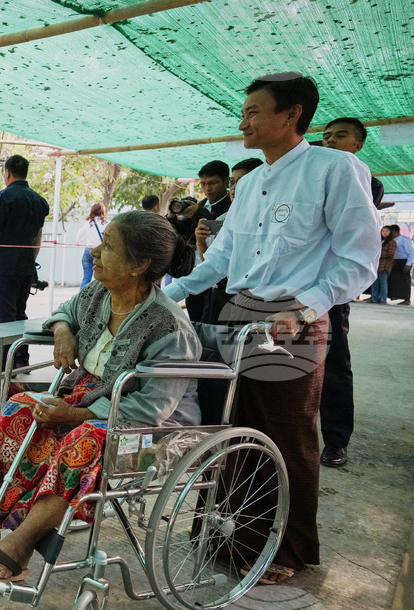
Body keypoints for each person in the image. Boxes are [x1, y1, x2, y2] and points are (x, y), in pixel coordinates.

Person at [164, 72, 380, 584]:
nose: (244, 120)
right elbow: (219, 260)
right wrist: (161, 297)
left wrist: (305, 309)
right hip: (237, 313)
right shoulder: (253, 182)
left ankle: (283, 549)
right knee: (228, 428)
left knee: (284, 433)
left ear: (291, 115)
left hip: (294, 321)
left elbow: (361, 259)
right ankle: (224, 534)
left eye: (255, 111)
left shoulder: (336, 168)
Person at [0, 211, 200, 583]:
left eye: (109, 245)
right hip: (91, 401)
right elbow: (65, 311)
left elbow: (150, 409)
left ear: (139, 265)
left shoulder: (169, 329)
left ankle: (20, 547)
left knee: (85, 439)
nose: (95, 251)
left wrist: (72, 415)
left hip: (151, 429)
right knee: (21, 410)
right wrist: (64, 331)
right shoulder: (100, 292)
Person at [318, 117, 384, 467]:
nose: (329, 141)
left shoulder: (366, 180)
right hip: (294, 287)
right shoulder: (308, 175)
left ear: (357, 144)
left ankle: (336, 441)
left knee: (333, 365)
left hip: (331, 290)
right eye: (326, 136)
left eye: (340, 136)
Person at [0, 155, 50, 369]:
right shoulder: (39, 201)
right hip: (26, 265)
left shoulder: (5, 196)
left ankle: (3, 364)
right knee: (20, 313)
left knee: (4, 317)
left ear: (7, 173)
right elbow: (37, 237)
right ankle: (20, 360)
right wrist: (31, 261)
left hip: (5, 266)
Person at [193, 157, 263, 324]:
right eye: (233, 182)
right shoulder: (224, 219)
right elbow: (212, 262)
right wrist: (201, 241)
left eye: (242, 181)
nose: (234, 188)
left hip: (260, 299)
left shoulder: (273, 219)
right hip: (224, 294)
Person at [182, 160, 231, 322]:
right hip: (194, 273)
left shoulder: (231, 207)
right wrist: (172, 217)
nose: (207, 189)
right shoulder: (199, 205)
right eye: (203, 184)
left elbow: (217, 225)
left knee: (211, 325)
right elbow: (183, 236)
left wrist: (199, 213)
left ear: (226, 181)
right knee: (194, 322)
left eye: (213, 183)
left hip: (217, 279)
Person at [75, 203, 108, 289]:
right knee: (102, 279)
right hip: (100, 253)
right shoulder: (107, 224)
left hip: (88, 252)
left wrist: (80, 242)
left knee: (86, 279)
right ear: (103, 211)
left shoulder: (88, 223)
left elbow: (78, 238)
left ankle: (82, 299)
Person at [370, 226, 396, 304]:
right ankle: (374, 298)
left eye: (387, 231)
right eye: (383, 231)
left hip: (385, 265)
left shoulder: (392, 242)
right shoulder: (379, 241)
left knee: (383, 282)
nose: (384, 233)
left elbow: (391, 254)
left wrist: (378, 254)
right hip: (376, 265)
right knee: (374, 283)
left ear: (390, 232)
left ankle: (382, 298)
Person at [388, 224, 412, 305]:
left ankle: (407, 299)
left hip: (404, 261)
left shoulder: (405, 239)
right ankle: (395, 295)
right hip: (394, 261)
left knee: (405, 280)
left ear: (395, 231)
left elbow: (411, 253)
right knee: (394, 279)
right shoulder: (390, 240)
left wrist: (408, 264)